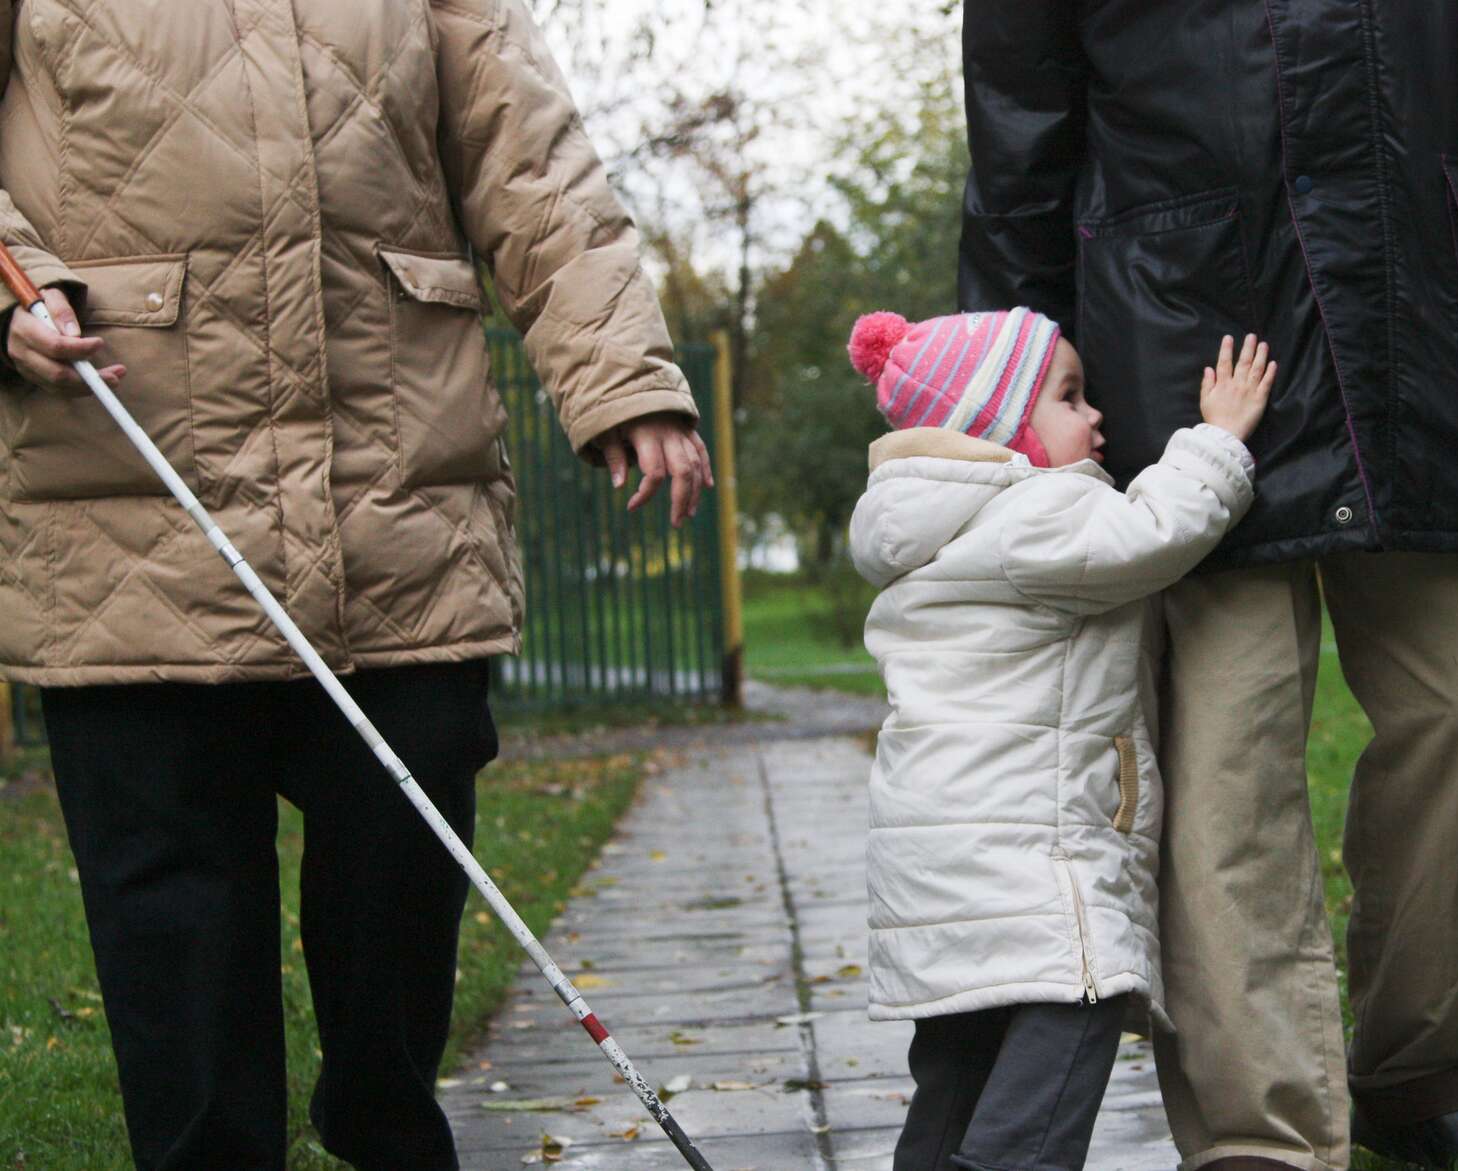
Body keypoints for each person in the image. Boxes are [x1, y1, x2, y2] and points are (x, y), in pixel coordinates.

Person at [0, 3, 707, 1168]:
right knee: (175, 920)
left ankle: (383, 1122)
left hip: (395, 491)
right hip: (130, 497)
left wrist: (623, 378)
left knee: (405, 858)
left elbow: (530, 158)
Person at [960, 1, 1458, 1167]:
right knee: (1225, 769)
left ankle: (1420, 1078)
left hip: (1431, 322)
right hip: (1187, 354)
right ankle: (1255, 1134)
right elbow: (1017, 138)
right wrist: (1014, 395)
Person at [846, 306, 1275, 1171]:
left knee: (959, 1068)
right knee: (1077, 1011)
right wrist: (1215, 439)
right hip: (1030, 854)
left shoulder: (927, 530)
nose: (1096, 416)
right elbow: (1152, 533)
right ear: (1002, 429)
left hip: (942, 864)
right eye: (1069, 396)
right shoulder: (1028, 517)